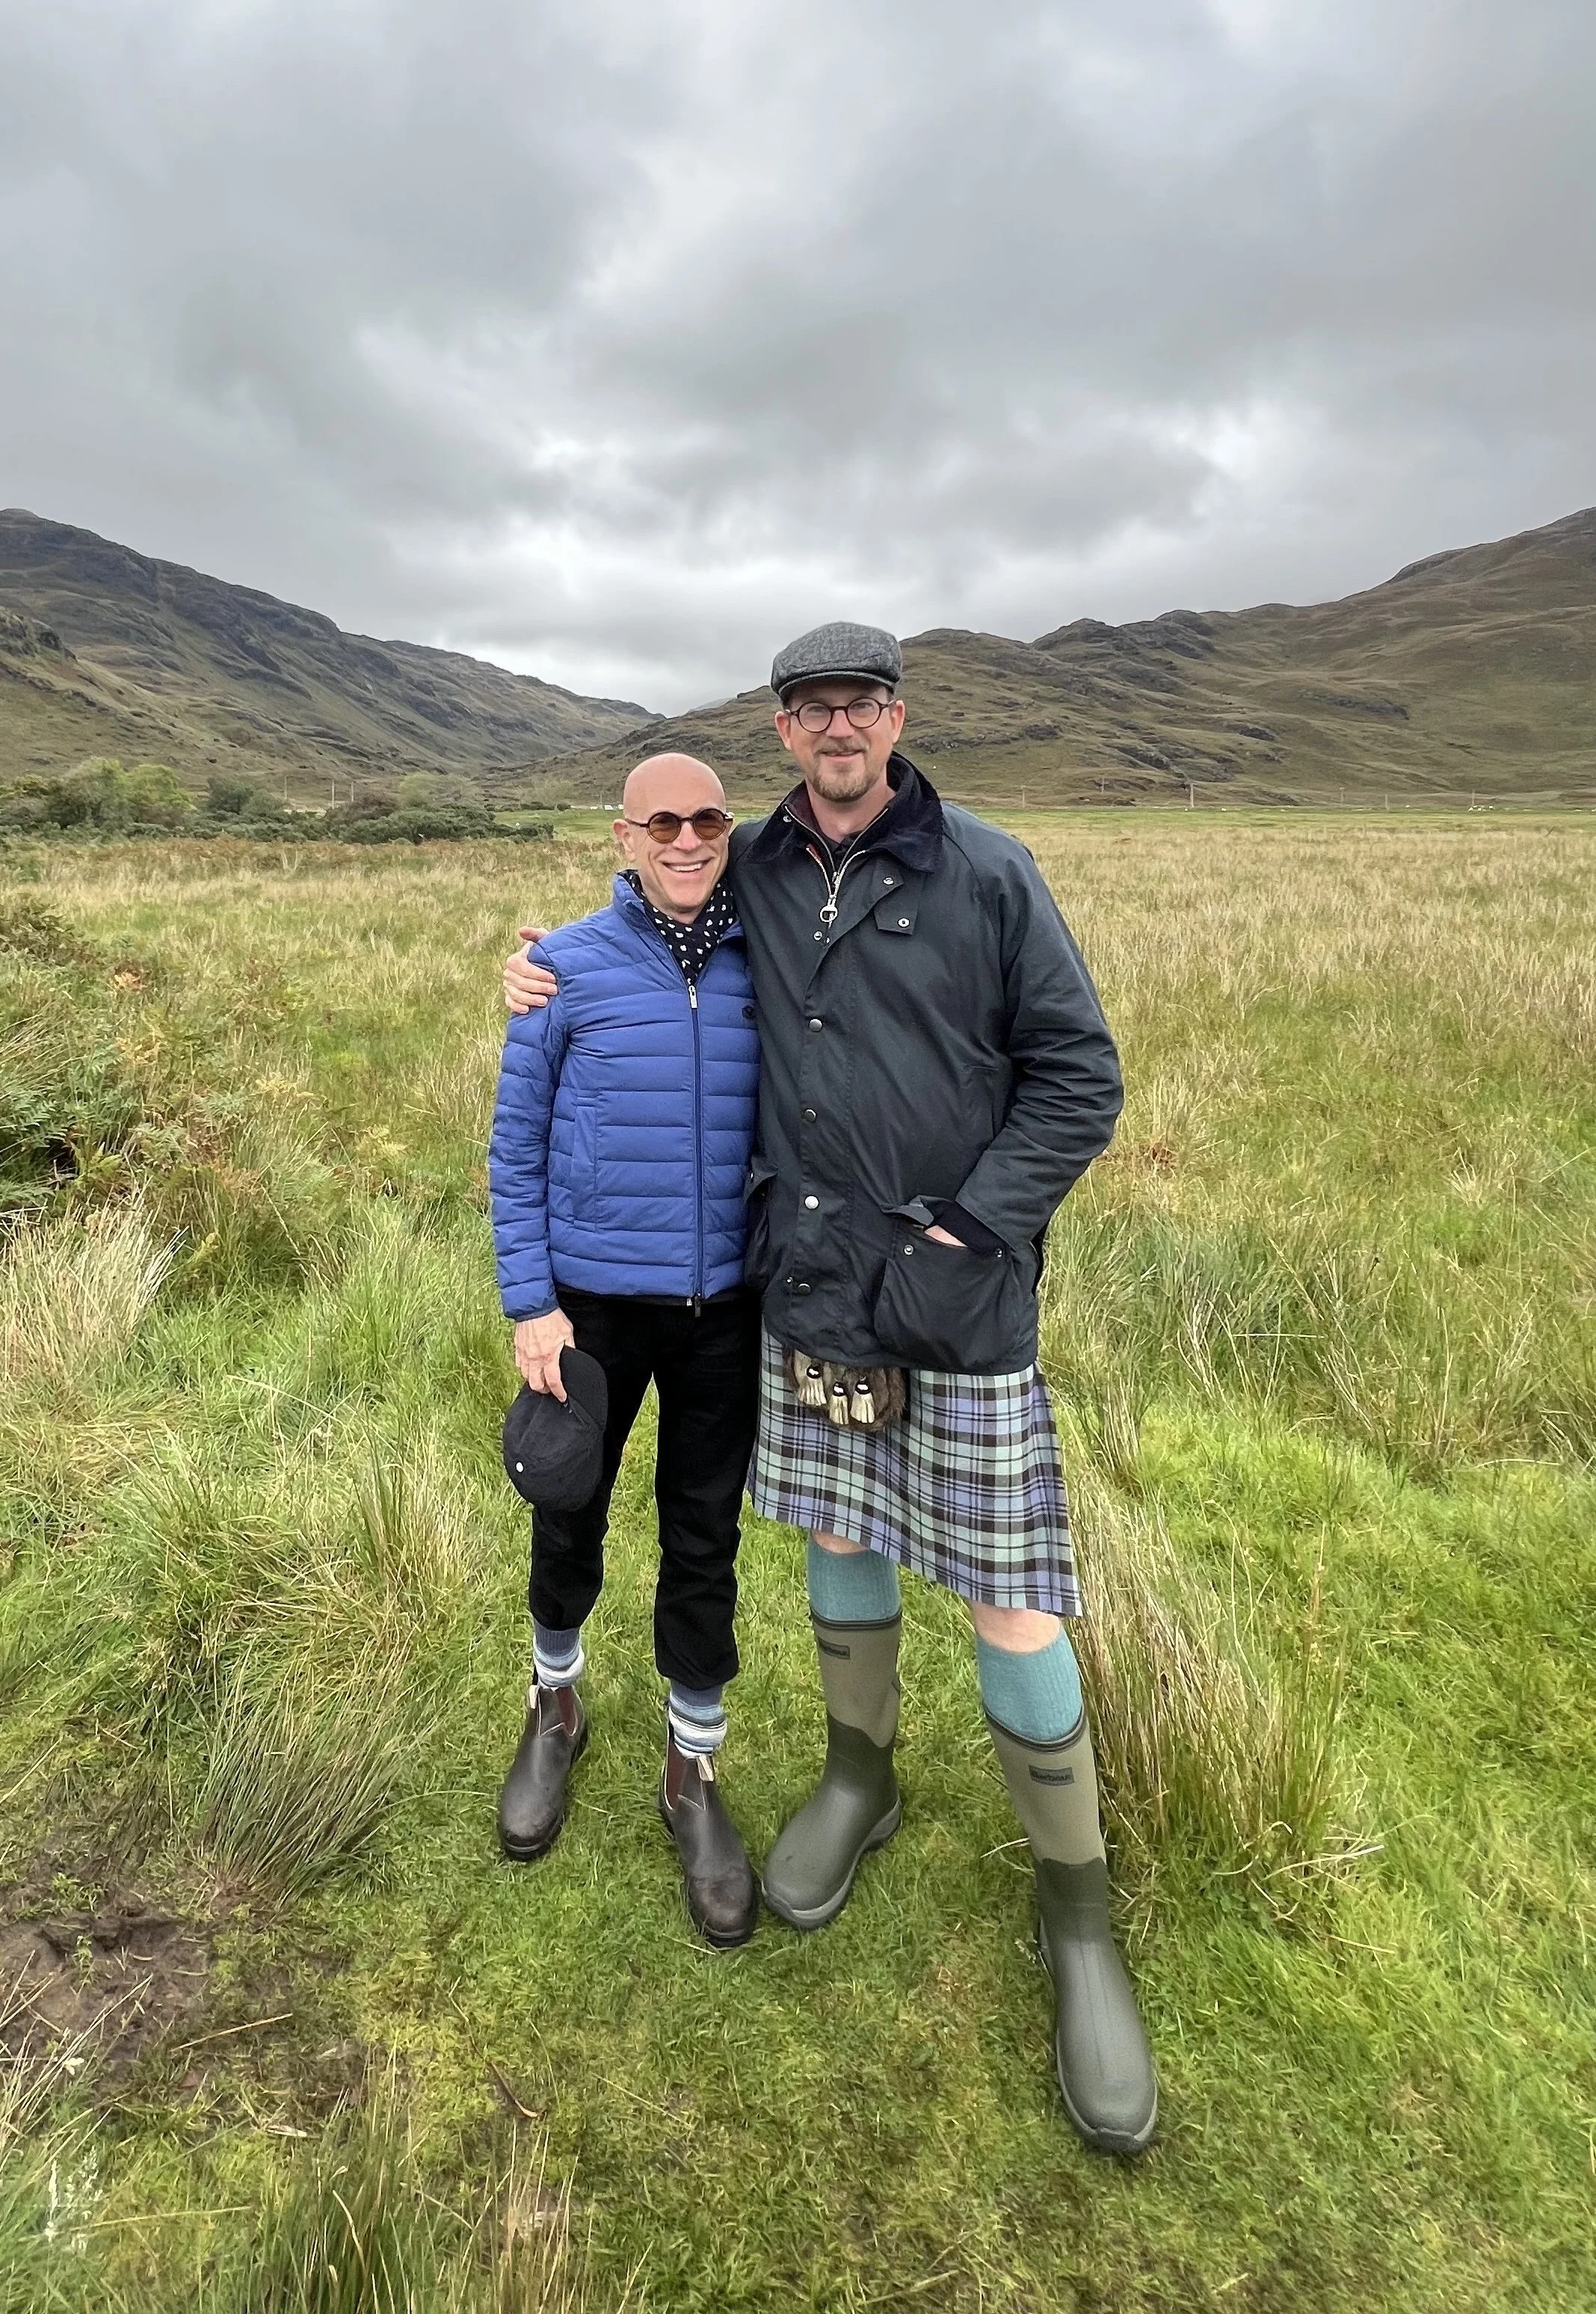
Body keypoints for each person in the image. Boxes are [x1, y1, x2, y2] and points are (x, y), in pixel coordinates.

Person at [505, 627, 1158, 2151]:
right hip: (806, 1293)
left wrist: (966, 1229)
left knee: (1010, 1594)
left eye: (860, 702)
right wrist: (526, 966)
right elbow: (640, 913)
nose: (837, 727)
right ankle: (857, 1778)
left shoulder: (987, 872)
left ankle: (1078, 1919)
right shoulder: (750, 867)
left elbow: (1079, 1076)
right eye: (809, 708)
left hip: (958, 1301)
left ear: (895, 717)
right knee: (836, 1548)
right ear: (784, 730)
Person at [488, 751, 762, 1948]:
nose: (687, 838)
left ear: (728, 826)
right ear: (625, 833)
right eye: (664, 821)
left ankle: (690, 1769)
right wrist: (528, 1299)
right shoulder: (562, 969)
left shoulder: (774, 958)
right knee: (569, 1508)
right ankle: (555, 1705)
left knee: (703, 1530)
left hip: (727, 1307)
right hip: (590, 1305)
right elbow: (515, 1147)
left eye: (706, 818)